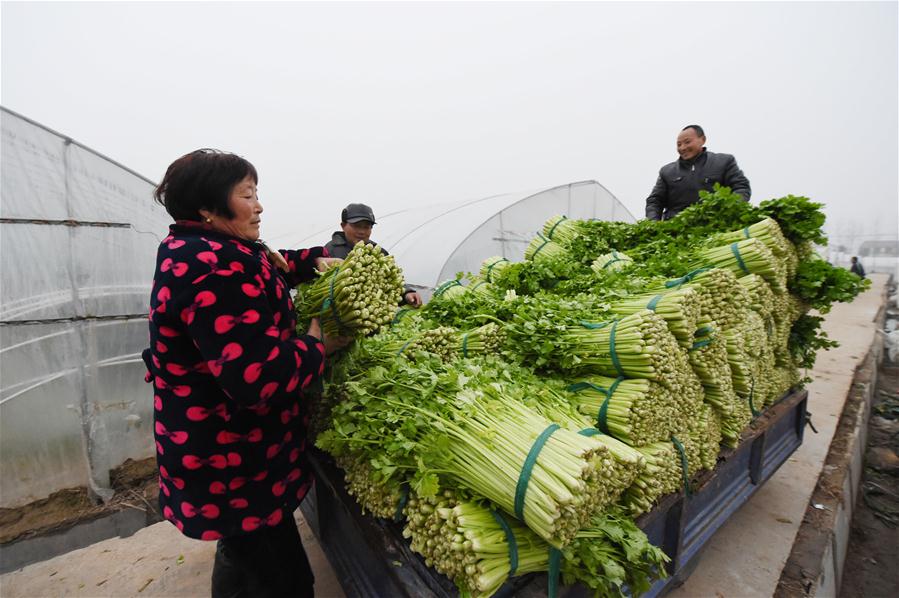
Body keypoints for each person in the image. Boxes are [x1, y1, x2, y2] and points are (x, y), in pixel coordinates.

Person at [143, 149, 347, 598]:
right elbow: (257, 377)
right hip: (234, 460)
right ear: (208, 207)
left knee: (247, 553)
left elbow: (267, 268)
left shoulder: (203, 248)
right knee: (281, 580)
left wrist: (313, 261)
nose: (259, 206)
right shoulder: (213, 267)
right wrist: (317, 344)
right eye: (248, 195)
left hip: (223, 453)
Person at [324, 203, 423, 307]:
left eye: (366, 227)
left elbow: (392, 282)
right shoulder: (328, 252)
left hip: (374, 313)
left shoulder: (380, 253)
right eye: (356, 226)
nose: (362, 231)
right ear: (343, 225)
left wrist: (407, 293)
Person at [645, 125, 752, 220]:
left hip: (717, 224)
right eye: (679, 144)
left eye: (687, 142)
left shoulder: (724, 162)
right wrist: (654, 224)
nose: (682, 147)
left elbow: (741, 187)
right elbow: (654, 201)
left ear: (702, 140)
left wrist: (729, 210)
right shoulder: (667, 172)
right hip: (676, 229)